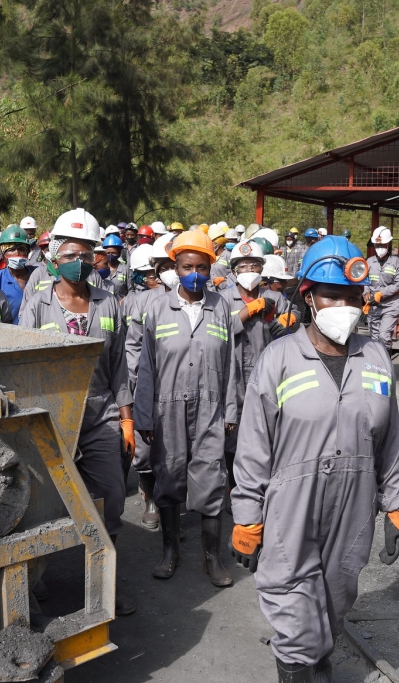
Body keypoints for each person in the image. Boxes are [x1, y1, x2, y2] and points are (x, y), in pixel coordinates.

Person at [230, 236, 399, 683]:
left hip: (354, 507)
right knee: (292, 614)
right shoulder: (279, 360)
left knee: (334, 601)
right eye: (332, 295)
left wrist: (396, 506)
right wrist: (248, 515)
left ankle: (319, 664)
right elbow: (253, 447)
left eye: (351, 297)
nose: (342, 306)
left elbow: (389, 442)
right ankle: (297, 669)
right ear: (308, 296)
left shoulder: (376, 358)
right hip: (292, 507)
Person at [20, 209, 136, 616]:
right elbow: (23, 365)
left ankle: (103, 586)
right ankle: (35, 580)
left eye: (88, 255)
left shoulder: (109, 304)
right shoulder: (36, 305)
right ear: (54, 255)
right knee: (41, 503)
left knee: (111, 500)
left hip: (100, 414)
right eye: (72, 253)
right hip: (49, 419)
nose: (80, 262)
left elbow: (120, 363)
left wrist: (127, 418)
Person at [134, 230, 238, 587]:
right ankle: (170, 552)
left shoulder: (221, 306)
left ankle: (213, 558)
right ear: (174, 268)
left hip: (211, 406)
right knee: (169, 476)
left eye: (202, 267)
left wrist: (232, 410)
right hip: (166, 407)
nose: (195, 273)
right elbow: (146, 365)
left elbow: (232, 362)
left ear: (211, 269)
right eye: (187, 266)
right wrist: (144, 415)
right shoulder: (156, 307)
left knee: (211, 478)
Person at [223, 241, 297, 500]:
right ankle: (235, 487)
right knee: (234, 436)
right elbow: (220, 330)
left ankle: (267, 487)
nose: (248, 270)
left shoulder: (274, 297)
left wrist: (292, 319)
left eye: (254, 265)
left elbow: (295, 315)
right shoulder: (223, 298)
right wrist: (245, 312)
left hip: (268, 375)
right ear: (234, 271)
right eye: (243, 266)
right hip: (234, 377)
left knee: (268, 431)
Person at [122, 238, 173, 530]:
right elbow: (133, 347)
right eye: (163, 267)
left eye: (173, 266)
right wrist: (137, 383)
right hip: (147, 387)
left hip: (183, 388)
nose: (170, 273)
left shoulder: (199, 300)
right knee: (145, 451)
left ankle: (172, 501)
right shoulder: (142, 302)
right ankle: (151, 499)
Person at [364, 226, 399, 355]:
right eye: (377, 245)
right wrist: (366, 293)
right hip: (373, 307)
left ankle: (386, 362)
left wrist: (381, 294)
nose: (379, 248)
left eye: (382, 244)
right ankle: (377, 364)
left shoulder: (396, 262)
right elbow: (365, 282)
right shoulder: (369, 262)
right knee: (375, 339)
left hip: (390, 306)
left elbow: (398, 284)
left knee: (384, 336)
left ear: (388, 244)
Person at [0, 225, 37, 323]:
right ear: (3, 254)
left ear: (27, 252)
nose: (16, 253)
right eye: (11, 250)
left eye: (21, 249)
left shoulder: (37, 275)